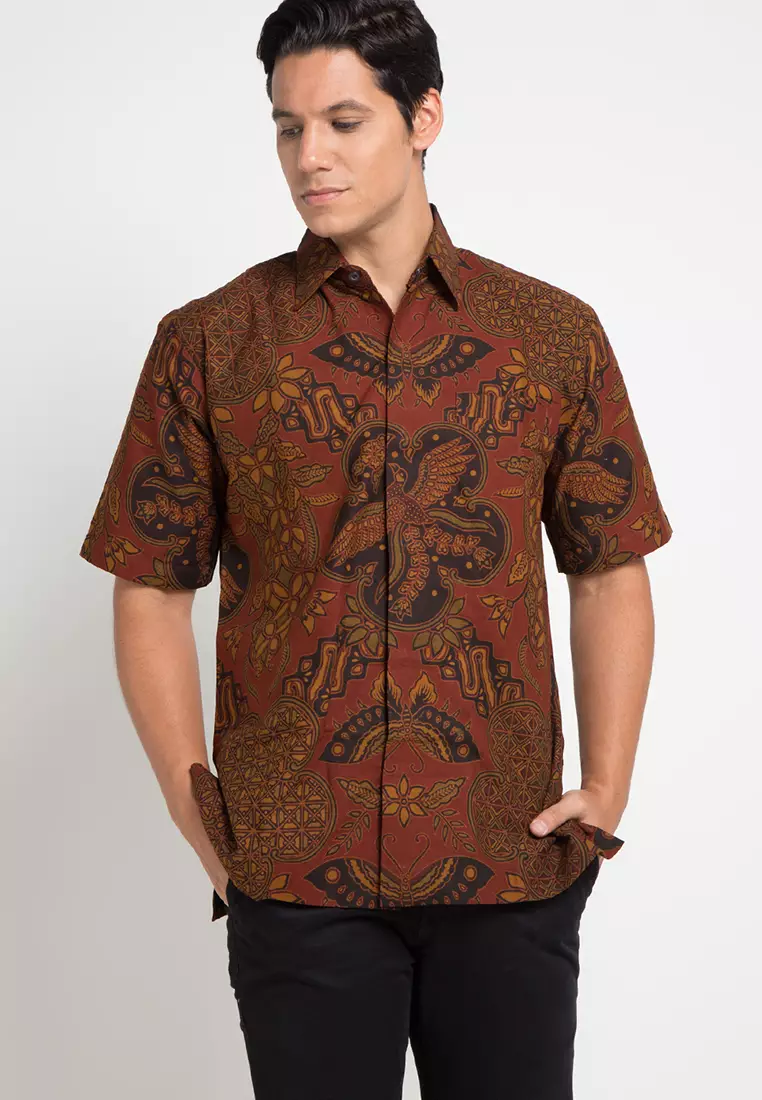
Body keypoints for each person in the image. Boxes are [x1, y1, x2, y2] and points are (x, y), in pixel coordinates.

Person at [79, 1, 674, 1096]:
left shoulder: (551, 335)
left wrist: (607, 785)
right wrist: (193, 803)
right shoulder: (210, 341)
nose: (309, 156)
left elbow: (609, 564)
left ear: (424, 117)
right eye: (287, 126)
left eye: (343, 122)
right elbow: (149, 586)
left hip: (509, 863)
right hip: (297, 876)